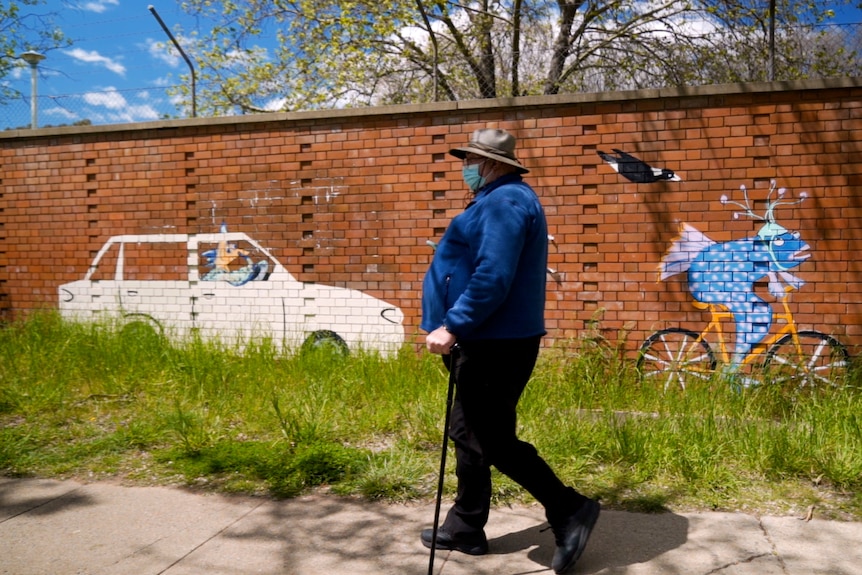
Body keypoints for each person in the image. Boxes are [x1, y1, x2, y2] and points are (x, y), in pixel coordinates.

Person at [420, 128, 600, 574]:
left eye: (470, 160)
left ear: (491, 163)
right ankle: (465, 526)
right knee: (469, 433)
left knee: (492, 439)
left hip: (491, 342)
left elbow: (492, 275)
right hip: (488, 339)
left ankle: (569, 508)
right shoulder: (498, 200)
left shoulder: (505, 202)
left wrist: (453, 324)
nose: (466, 168)